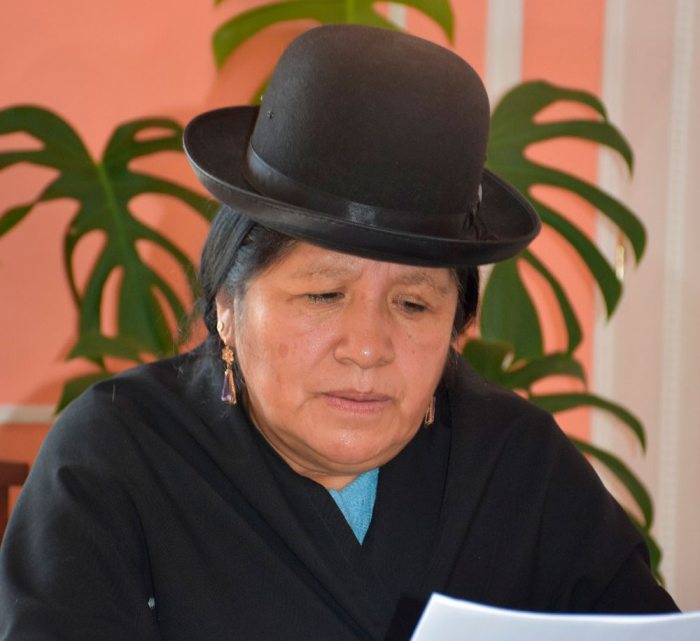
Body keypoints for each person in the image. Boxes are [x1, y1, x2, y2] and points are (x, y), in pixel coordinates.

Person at [0, 24, 677, 641]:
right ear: (228, 305)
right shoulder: (112, 461)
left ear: (458, 326)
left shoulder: (518, 468)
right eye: (323, 295)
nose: (367, 347)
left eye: (413, 304)